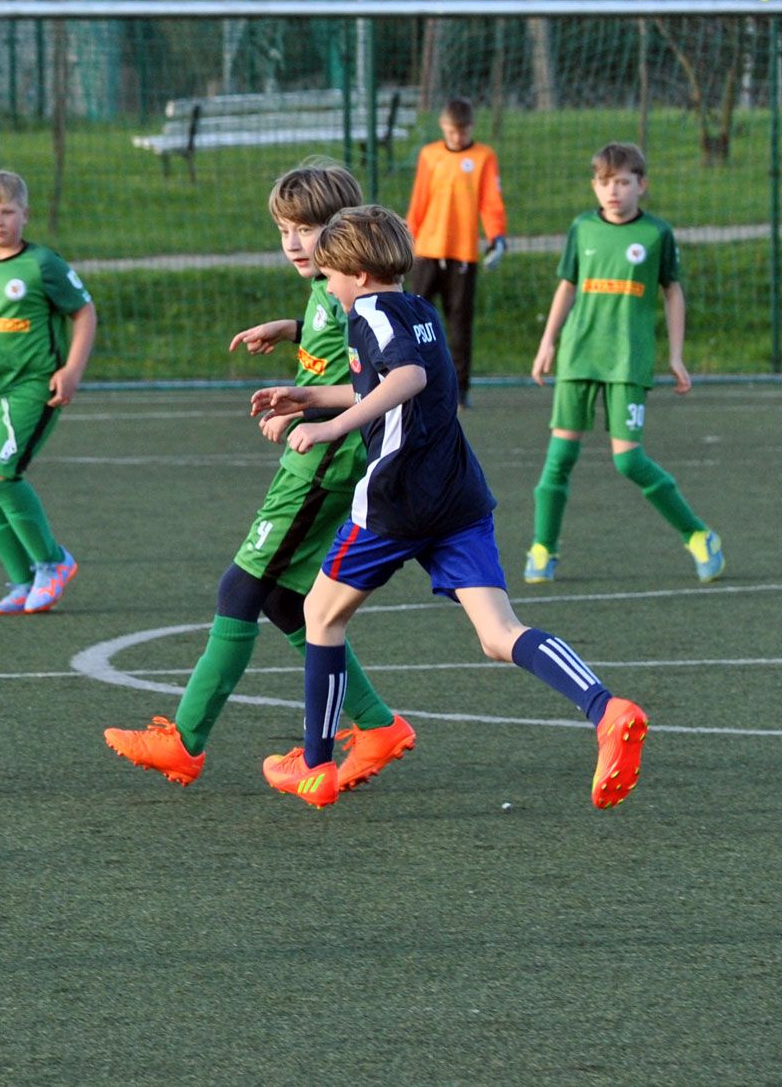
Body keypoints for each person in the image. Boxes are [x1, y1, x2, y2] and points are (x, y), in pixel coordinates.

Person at [250, 206, 649, 811]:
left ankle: (315, 765)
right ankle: (606, 709)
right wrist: (306, 397)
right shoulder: (418, 310)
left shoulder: (368, 313)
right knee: (499, 633)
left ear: (358, 274)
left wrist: (331, 428)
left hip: (398, 499)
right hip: (457, 494)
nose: (327, 287)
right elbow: (381, 383)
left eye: (330, 276)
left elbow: (405, 379)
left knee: (319, 615)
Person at [104, 161, 414, 790]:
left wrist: (305, 405)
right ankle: (377, 725)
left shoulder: (349, 294)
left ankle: (184, 741)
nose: (294, 243)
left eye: (307, 230)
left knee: (239, 588)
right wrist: (292, 329)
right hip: (317, 458)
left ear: (344, 233)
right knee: (283, 600)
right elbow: (337, 337)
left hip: (322, 463)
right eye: (283, 230)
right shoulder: (329, 289)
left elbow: (372, 378)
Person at [524, 142, 724, 585]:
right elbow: (567, 286)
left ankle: (698, 534)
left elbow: (672, 291)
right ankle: (543, 548)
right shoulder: (582, 228)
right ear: (594, 187)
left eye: (622, 182)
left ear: (641, 185)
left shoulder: (656, 234)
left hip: (627, 361)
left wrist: (675, 355)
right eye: (603, 182)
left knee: (629, 461)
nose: (612, 191)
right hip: (579, 355)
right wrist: (547, 342)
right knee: (559, 458)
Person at [0, 171, 96, 615]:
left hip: (31, 387)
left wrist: (72, 370)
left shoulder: (42, 264)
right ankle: (22, 582)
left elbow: (84, 313)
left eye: (7, 212)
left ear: (25, 215)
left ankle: (53, 562)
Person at [405, 97, 507, 406]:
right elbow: (419, 200)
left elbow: (491, 202)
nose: (457, 137)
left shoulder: (483, 157)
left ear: (471, 127)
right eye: (451, 131)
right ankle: (409, 382)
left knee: (459, 323)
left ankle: (460, 389)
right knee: (413, 317)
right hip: (427, 250)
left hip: (463, 254)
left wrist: (497, 237)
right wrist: (407, 238)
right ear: (442, 127)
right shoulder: (430, 155)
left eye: (462, 131)